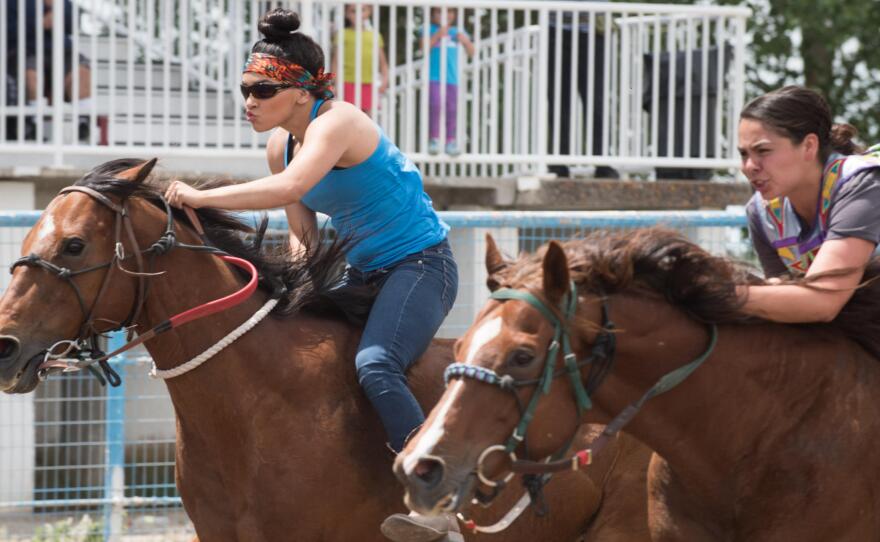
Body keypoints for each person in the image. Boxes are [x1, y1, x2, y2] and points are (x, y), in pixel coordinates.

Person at [163, 8, 461, 542]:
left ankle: (435, 496)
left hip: (422, 267)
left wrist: (199, 196)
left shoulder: (339, 121)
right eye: (244, 90)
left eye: (262, 90)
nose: (249, 102)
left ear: (302, 91)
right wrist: (298, 285)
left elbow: (285, 190)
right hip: (368, 273)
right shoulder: (280, 144)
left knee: (375, 362)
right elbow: (302, 229)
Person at [739, 85, 880, 323]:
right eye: (743, 154)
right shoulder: (761, 213)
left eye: (763, 150)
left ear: (809, 146)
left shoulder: (862, 183)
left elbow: (822, 302)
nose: (749, 166)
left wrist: (722, 295)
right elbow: (782, 306)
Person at [546, 2, 618, 179]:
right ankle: (558, 163)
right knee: (559, 101)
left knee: (596, 101)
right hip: (557, 30)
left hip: (592, 31)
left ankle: (602, 162)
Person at [6, 0, 92, 141]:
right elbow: (8, 30)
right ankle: (33, 124)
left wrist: (53, 8)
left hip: (61, 50)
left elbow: (73, 24)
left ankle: (84, 122)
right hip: (26, 49)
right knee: (31, 71)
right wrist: (39, 24)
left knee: (81, 69)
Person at [424, 6, 473, 156]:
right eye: (440, 11)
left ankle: (450, 141)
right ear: (433, 14)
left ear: (455, 14)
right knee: (435, 105)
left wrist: (465, 41)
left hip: (452, 79)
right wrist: (438, 35)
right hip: (434, 77)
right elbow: (423, 47)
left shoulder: (458, 31)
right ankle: (434, 139)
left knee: (452, 109)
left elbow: (472, 52)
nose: (445, 15)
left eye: (450, 11)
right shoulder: (429, 29)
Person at [330, 3, 389, 116]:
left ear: (369, 12)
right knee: (348, 116)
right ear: (346, 14)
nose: (358, 14)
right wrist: (336, 83)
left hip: (369, 83)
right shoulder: (342, 34)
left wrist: (385, 80)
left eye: (363, 10)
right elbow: (336, 62)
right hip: (347, 82)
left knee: (368, 119)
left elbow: (383, 63)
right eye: (353, 11)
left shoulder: (375, 35)